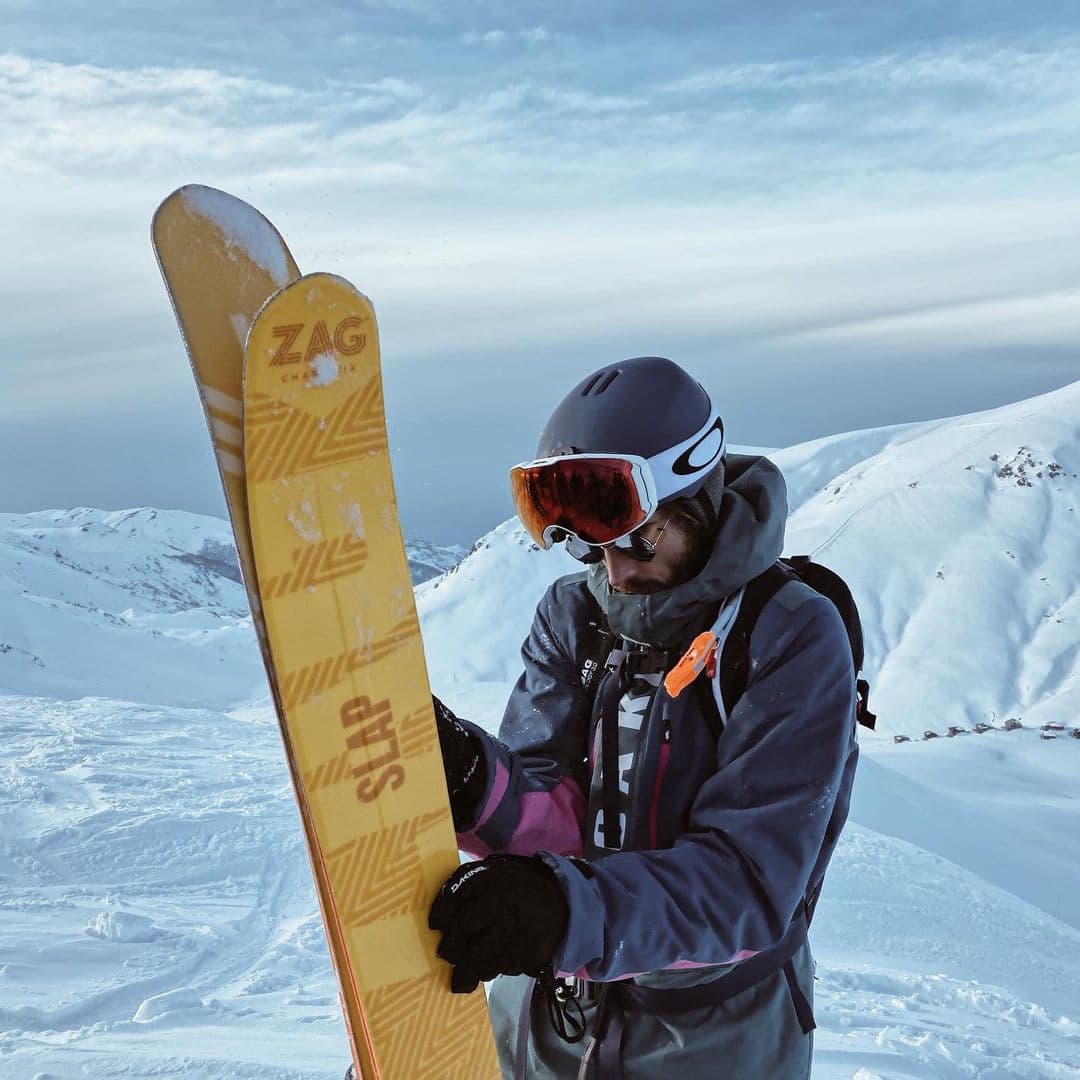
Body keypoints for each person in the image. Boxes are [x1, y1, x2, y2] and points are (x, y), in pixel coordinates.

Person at [427, 356, 859, 1078]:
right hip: (556, 1017)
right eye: (595, 547)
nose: (616, 572)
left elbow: (747, 888)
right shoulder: (576, 615)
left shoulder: (789, 636)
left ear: (701, 498)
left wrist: (564, 914)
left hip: (714, 1037)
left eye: (639, 539)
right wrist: (476, 783)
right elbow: (555, 810)